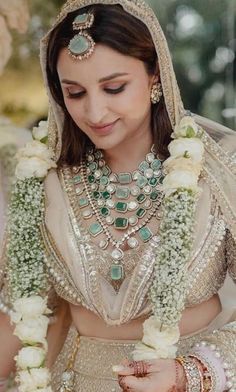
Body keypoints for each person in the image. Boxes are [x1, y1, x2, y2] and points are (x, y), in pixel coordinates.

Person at [0, 1, 236, 391]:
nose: (94, 111)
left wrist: (188, 373)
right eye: (74, 93)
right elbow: (21, 316)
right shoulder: (44, 181)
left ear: (155, 75)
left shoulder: (214, 174)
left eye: (114, 88)